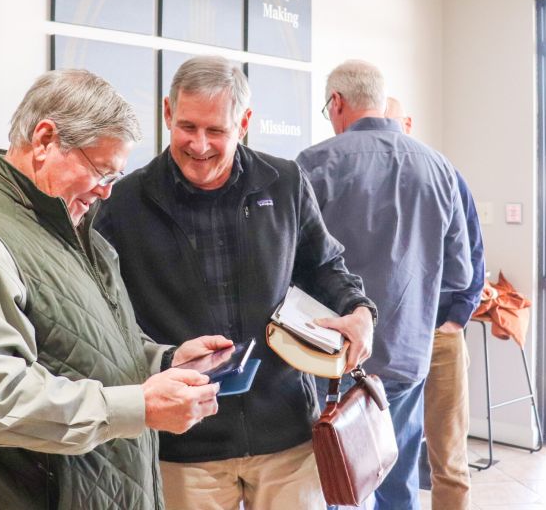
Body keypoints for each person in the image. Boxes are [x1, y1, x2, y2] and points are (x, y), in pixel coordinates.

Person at [0, 69, 233, 510]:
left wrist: (167, 360)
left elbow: (88, 345)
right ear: (44, 140)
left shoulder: (72, 227)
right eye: (101, 172)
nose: (105, 192)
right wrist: (138, 406)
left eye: (114, 178)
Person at [95, 55, 377, 510]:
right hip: (186, 444)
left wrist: (361, 312)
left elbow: (325, 266)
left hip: (287, 433)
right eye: (187, 126)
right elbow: (104, 314)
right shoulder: (125, 203)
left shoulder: (285, 182)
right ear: (167, 113)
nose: (199, 145)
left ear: (244, 123)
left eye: (216, 131)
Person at [296, 60, 472, 510]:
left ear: (336, 103)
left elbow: (288, 268)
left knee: (332, 479)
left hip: (332, 356)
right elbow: (460, 276)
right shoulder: (439, 167)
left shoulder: (313, 166)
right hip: (408, 358)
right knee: (395, 475)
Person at [386, 97, 485, 510]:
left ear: (407, 123)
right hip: (387, 341)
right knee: (391, 454)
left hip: (439, 335)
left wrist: (457, 319)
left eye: (390, 125)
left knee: (448, 457)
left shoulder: (443, 176)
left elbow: (474, 252)